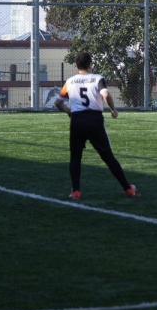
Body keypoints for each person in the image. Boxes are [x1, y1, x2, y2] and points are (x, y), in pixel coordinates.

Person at [53, 51, 137, 199]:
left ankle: (76, 191)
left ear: (76, 65)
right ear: (91, 64)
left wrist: (69, 112)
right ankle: (128, 188)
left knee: (75, 156)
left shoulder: (70, 81)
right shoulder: (97, 78)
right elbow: (105, 94)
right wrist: (113, 109)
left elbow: (58, 102)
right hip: (94, 120)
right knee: (108, 157)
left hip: (77, 120)